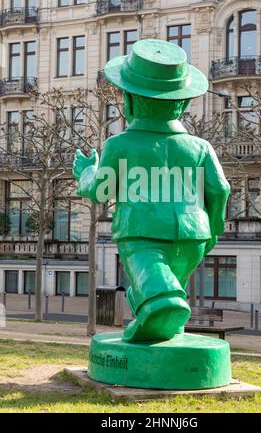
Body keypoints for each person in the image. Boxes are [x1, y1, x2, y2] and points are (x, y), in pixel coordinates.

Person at [73, 39, 230, 343]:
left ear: (129, 103)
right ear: (182, 103)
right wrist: (212, 228)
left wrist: (86, 173)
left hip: (142, 235)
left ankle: (157, 317)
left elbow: (101, 191)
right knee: (166, 293)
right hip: (192, 235)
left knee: (164, 298)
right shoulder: (200, 147)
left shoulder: (120, 144)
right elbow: (220, 189)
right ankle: (167, 343)